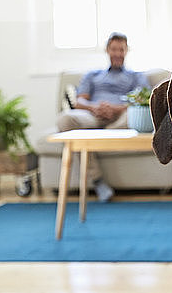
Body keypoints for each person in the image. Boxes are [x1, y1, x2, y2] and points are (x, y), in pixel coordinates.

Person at [56, 32, 149, 201]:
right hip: (94, 115)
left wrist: (116, 108)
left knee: (135, 116)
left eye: (121, 49)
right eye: (114, 49)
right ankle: (98, 180)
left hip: (121, 117)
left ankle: (99, 134)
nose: (117, 54)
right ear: (107, 50)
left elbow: (143, 100)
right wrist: (95, 107)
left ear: (126, 51)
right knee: (65, 119)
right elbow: (79, 102)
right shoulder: (92, 76)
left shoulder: (136, 77)